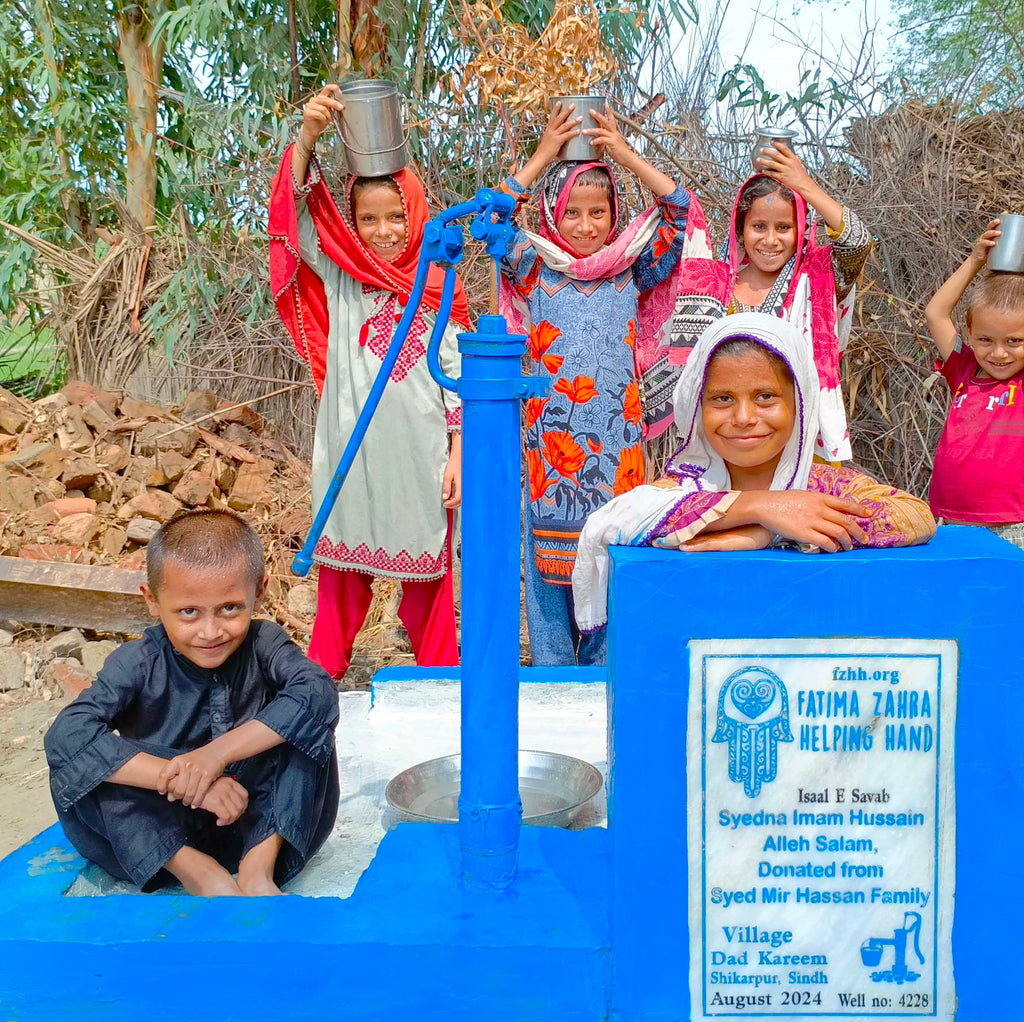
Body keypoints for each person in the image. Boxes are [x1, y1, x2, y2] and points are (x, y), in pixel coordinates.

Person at [498, 100, 712, 665]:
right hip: (550, 451)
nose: (588, 226)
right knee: (548, 582)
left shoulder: (631, 265)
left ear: (615, 213)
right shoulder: (533, 264)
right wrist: (544, 153)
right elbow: (489, 221)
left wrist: (622, 152)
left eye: (599, 212)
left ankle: (602, 688)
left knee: (611, 571)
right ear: (552, 214)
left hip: (618, 454)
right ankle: (552, 685)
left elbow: (680, 211)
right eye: (573, 213)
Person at [268, 84, 467, 679]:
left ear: (417, 215)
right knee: (340, 583)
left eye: (395, 217)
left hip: (421, 452)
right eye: (367, 218)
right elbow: (294, 215)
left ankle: (439, 687)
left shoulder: (439, 279)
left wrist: (458, 450)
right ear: (351, 224)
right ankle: (318, 686)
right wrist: (307, 136)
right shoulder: (341, 273)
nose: (382, 231)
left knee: (430, 584)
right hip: (350, 449)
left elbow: (453, 373)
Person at [572, 313, 935, 632]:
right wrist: (760, 508)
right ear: (697, 407)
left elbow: (914, 516)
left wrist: (769, 532)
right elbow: (616, 520)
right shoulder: (681, 489)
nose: (744, 418)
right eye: (722, 399)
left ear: (800, 403)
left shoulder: (822, 486)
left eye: (765, 397)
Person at [45, 510, 340, 896]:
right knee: (91, 760)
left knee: (306, 726)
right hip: (156, 839)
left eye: (230, 608)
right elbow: (67, 735)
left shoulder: (265, 643)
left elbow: (316, 692)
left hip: (262, 823)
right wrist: (189, 779)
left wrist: (214, 756)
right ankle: (202, 875)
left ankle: (257, 872)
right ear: (152, 601)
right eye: (188, 612)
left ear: (261, 590)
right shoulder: (138, 661)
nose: (211, 631)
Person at [672, 141, 873, 462]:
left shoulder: (817, 278)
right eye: (758, 226)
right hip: (732, 441)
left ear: (801, 229)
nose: (769, 240)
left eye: (783, 227)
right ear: (741, 230)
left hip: (800, 439)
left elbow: (858, 242)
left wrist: (802, 183)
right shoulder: (716, 284)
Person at [924, 219, 1024, 548]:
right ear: (968, 331)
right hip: (951, 520)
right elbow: (936, 313)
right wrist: (975, 260)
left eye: (1014, 341)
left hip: (1015, 525)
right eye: (985, 339)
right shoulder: (964, 368)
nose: (999, 353)